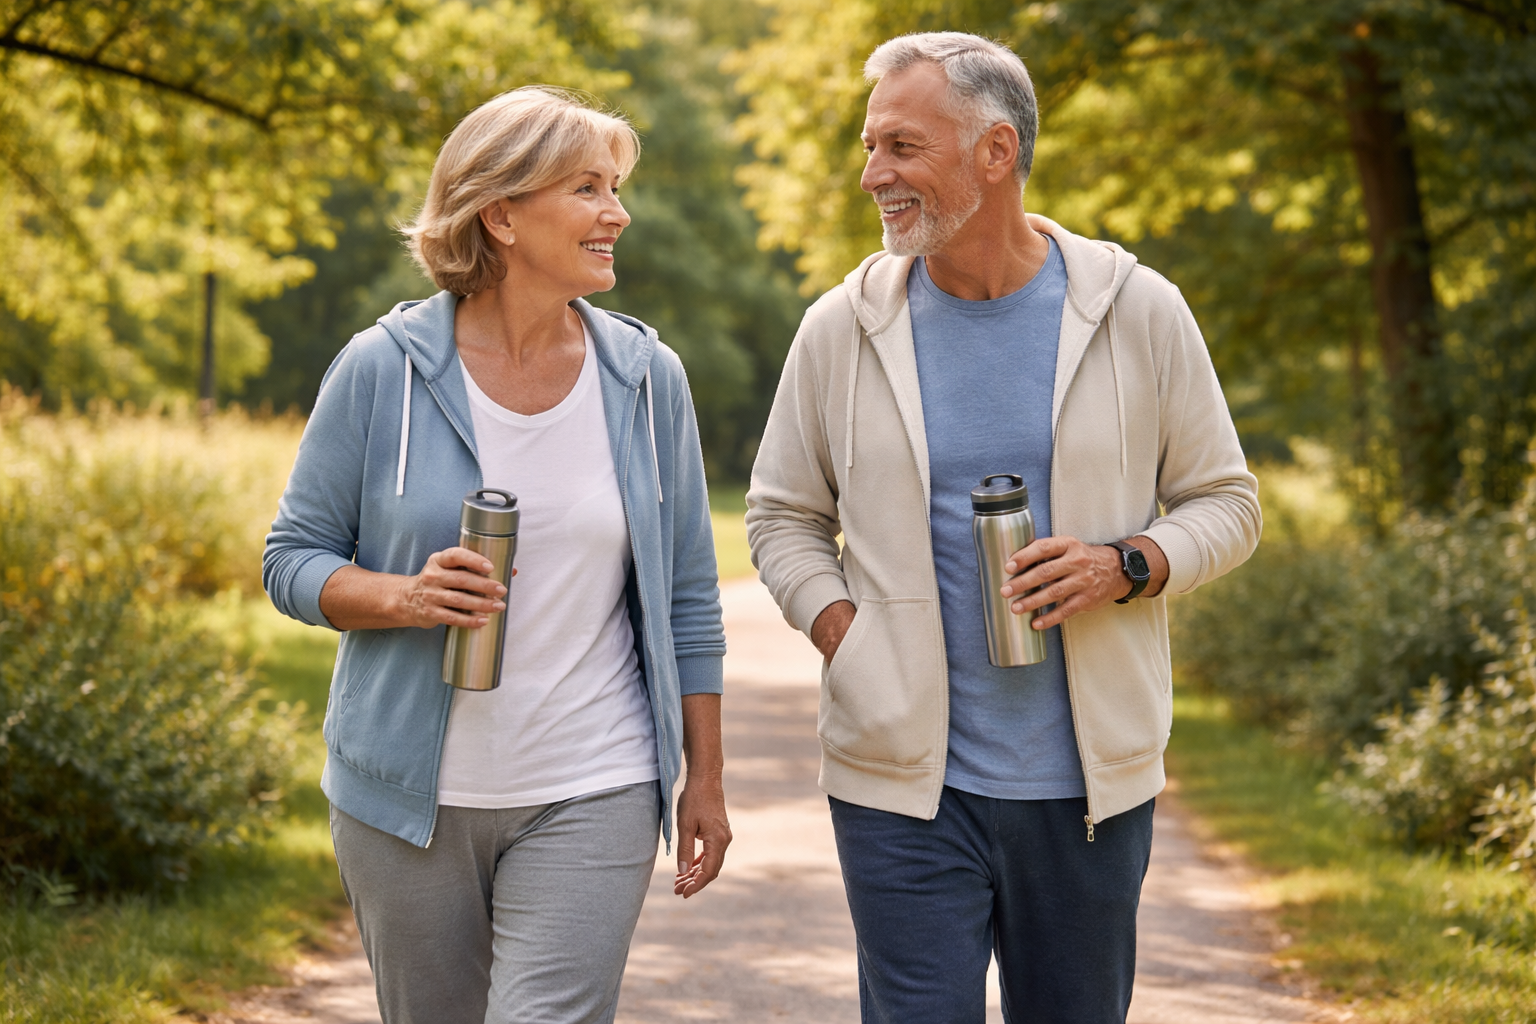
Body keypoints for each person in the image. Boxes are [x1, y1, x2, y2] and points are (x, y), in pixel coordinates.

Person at [745, 32, 1262, 1024]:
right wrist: (841, 631)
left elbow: (1227, 503)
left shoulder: (1137, 311)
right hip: (900, 787)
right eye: (869, 147)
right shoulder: (841, 328)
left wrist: (1129, 563)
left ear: (995, 151)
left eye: (901, 146)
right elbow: (783, 514)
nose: (872, 175)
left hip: (1087, 792)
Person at [262, 86, 731, 1024]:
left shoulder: (645, 378)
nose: (618, 213)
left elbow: (687, 593)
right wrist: (404, 596)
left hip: (594, 780)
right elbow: (292, 559)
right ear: (502, 213)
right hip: (406, 798)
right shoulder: (381, 367)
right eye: (589, 189)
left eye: (615, 187)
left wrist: (705, 780)